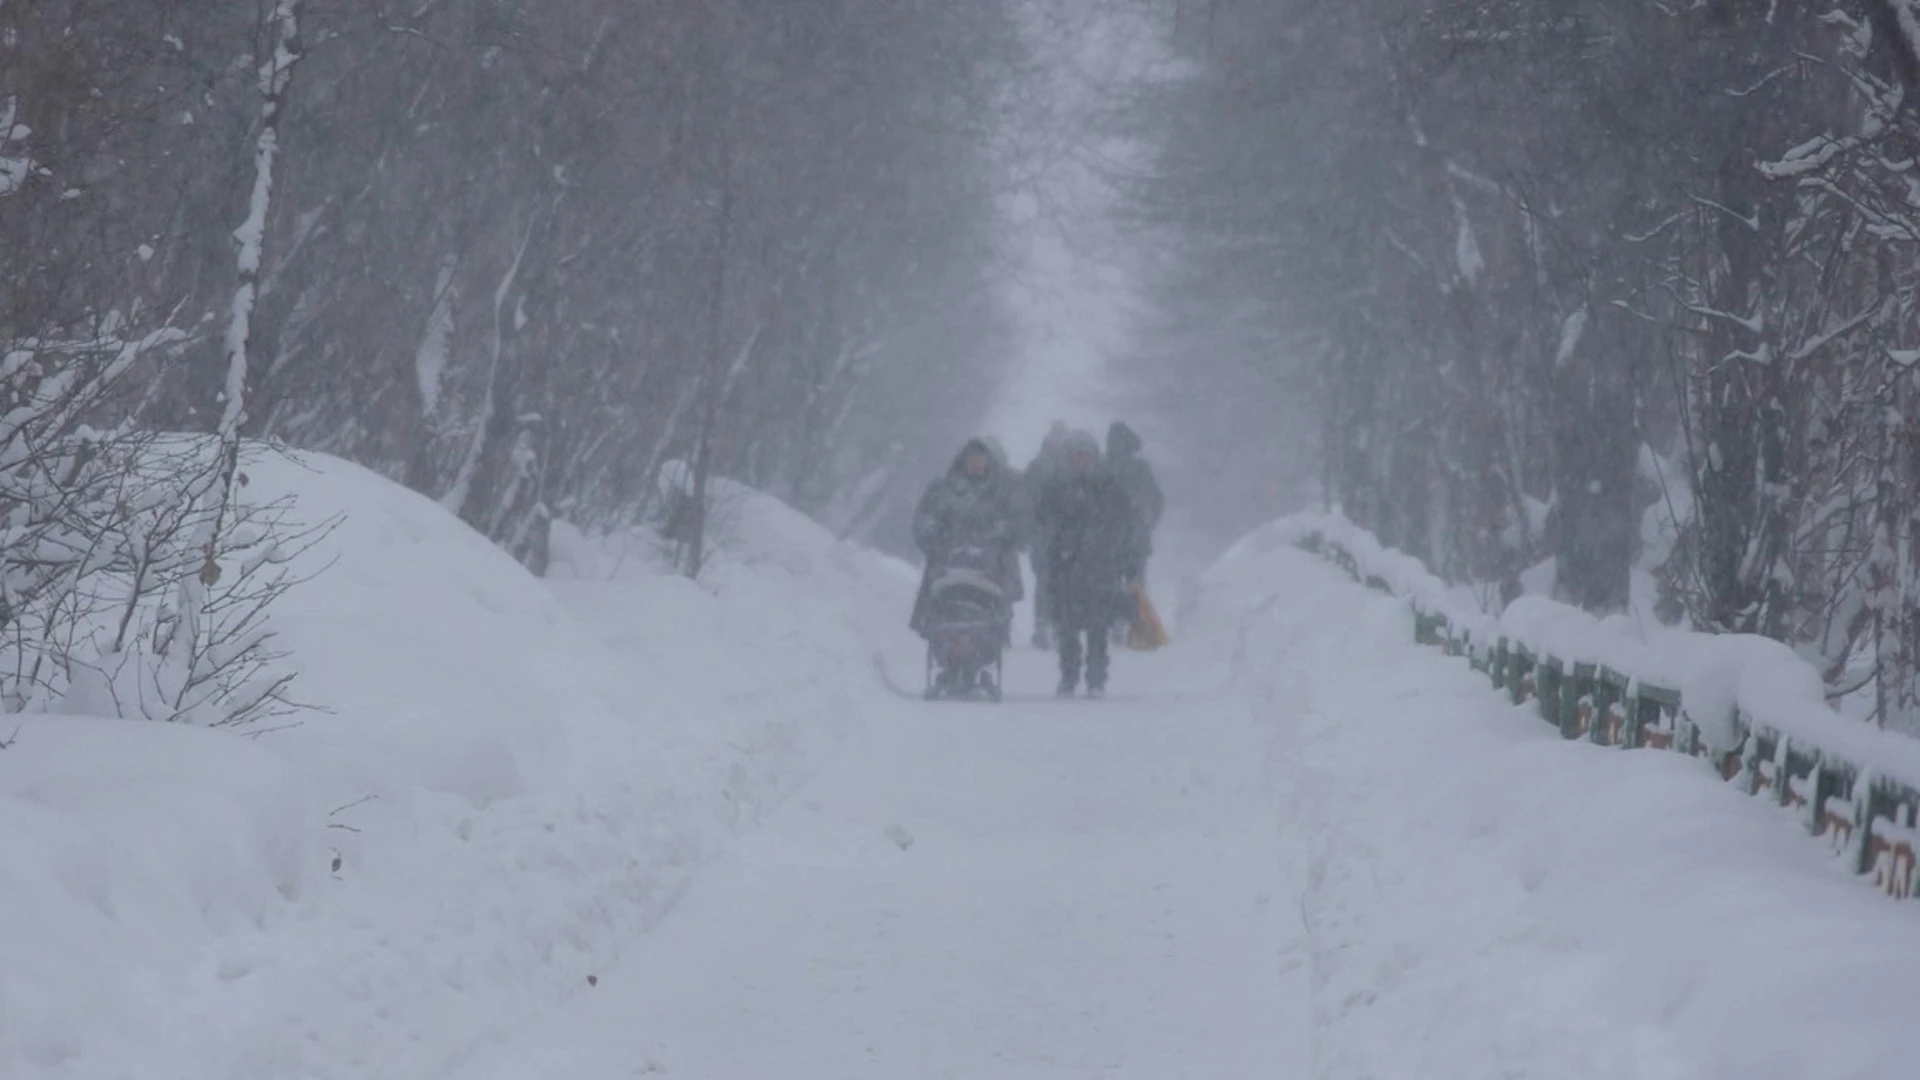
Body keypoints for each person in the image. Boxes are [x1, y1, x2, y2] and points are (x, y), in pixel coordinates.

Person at [1033, 430, 1144, 698]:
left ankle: (1096, 679)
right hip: (1065, 568)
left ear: (1092, 458)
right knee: (1066, 630)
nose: (1078, 461)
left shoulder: (1109, 488)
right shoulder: (1054, 489)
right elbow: (1041, 526)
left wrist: (1128, 564)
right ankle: (1068, 677)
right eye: (1073, 456)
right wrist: (1046, 559)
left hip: (1099, 569)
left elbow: (1125, 527)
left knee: (1098, 629)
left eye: (1083, 455)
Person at [909, 438, 1022, 637]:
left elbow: (1017, 523)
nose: (976, 463)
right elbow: (924, 519)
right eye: (971, 458)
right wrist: (935, 541)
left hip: (989, 571)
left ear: (990, 463)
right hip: (947, 566)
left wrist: (999, 537)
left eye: (981, 459)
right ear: (962, 460)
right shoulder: (942, 489)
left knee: (991, 620)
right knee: (940, 619)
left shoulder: (1003, 493)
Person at [1106, 420, 1164, 642]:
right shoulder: (1140, 468)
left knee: (1110, 581)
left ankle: (1115, 623)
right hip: (1136, 536)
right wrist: (1149, 524)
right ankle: (1136, 625)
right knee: (1136, 582)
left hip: (1109, 536)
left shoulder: (1104, 467)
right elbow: (1158, 500)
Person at [1022, 421, 1072, 648]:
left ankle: (1059, 624)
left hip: (1066, 534)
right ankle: (1042, 624)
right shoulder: (1037, 466)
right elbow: (1027, 499)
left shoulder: (1073, 465)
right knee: (1044, 580)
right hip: (1043, 535)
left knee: (1064, 580)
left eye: (1061, 435)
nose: (1058, 439)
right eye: (1056, 435)